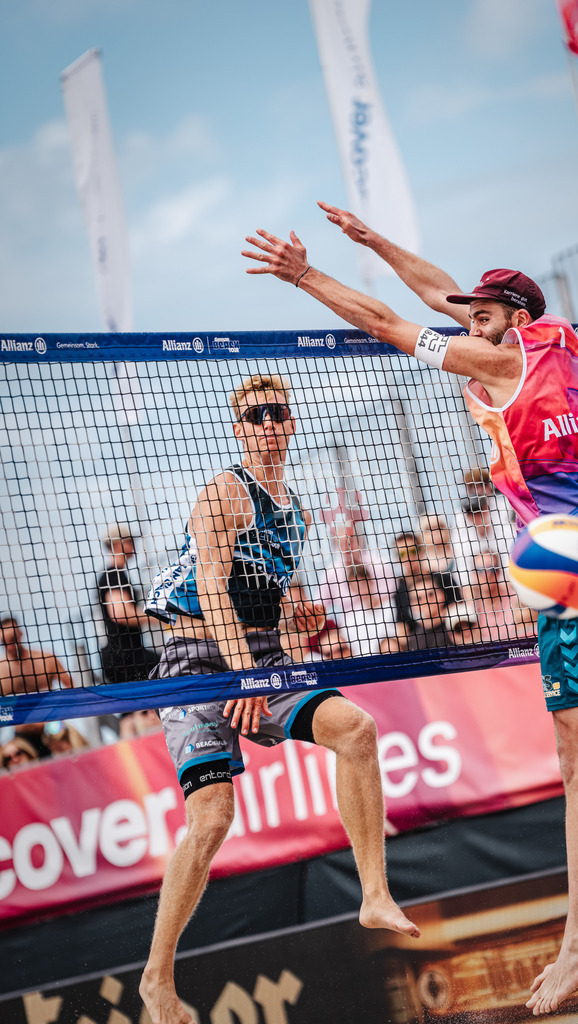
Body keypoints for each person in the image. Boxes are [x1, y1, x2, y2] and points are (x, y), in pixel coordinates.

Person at [243, 206, 578, 1016]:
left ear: (509, 321)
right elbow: (441, 294)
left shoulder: (498, 365)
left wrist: (305, 275)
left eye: (480, 314)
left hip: (572, 566)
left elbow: (393, 318)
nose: (464, 319)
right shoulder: (561, 342)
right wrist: (377, 244)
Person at [140, 372, 418, 1024]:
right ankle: (157, 980)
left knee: (355, 728)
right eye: (255, 414)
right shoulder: (223, 493)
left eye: (277, 413)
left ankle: (373, 894)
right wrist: (242, 677)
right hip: (195, 657)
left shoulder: (293, 512)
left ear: (290, 423)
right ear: (240, 427)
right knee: (211, 819)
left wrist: (295, 633)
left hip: (259, 652)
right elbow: (211, 590)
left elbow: (260, 604)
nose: (268, 422)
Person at [98, 525, 160, 685]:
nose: (133, 546)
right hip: (124, 657)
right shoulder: (114, 574)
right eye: (130, 541)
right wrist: (160, 618)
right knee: (171, 667)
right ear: (117, 544)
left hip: (128, 654)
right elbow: (121, 613)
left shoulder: (117, 574)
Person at [0, 614, 73, 697]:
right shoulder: (1, 670)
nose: (9, 647)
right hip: (16, 710)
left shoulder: (46, 659)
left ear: (20, 634)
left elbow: (70, 685)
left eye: (12, 639)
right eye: (4, 642)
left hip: (49, 708)